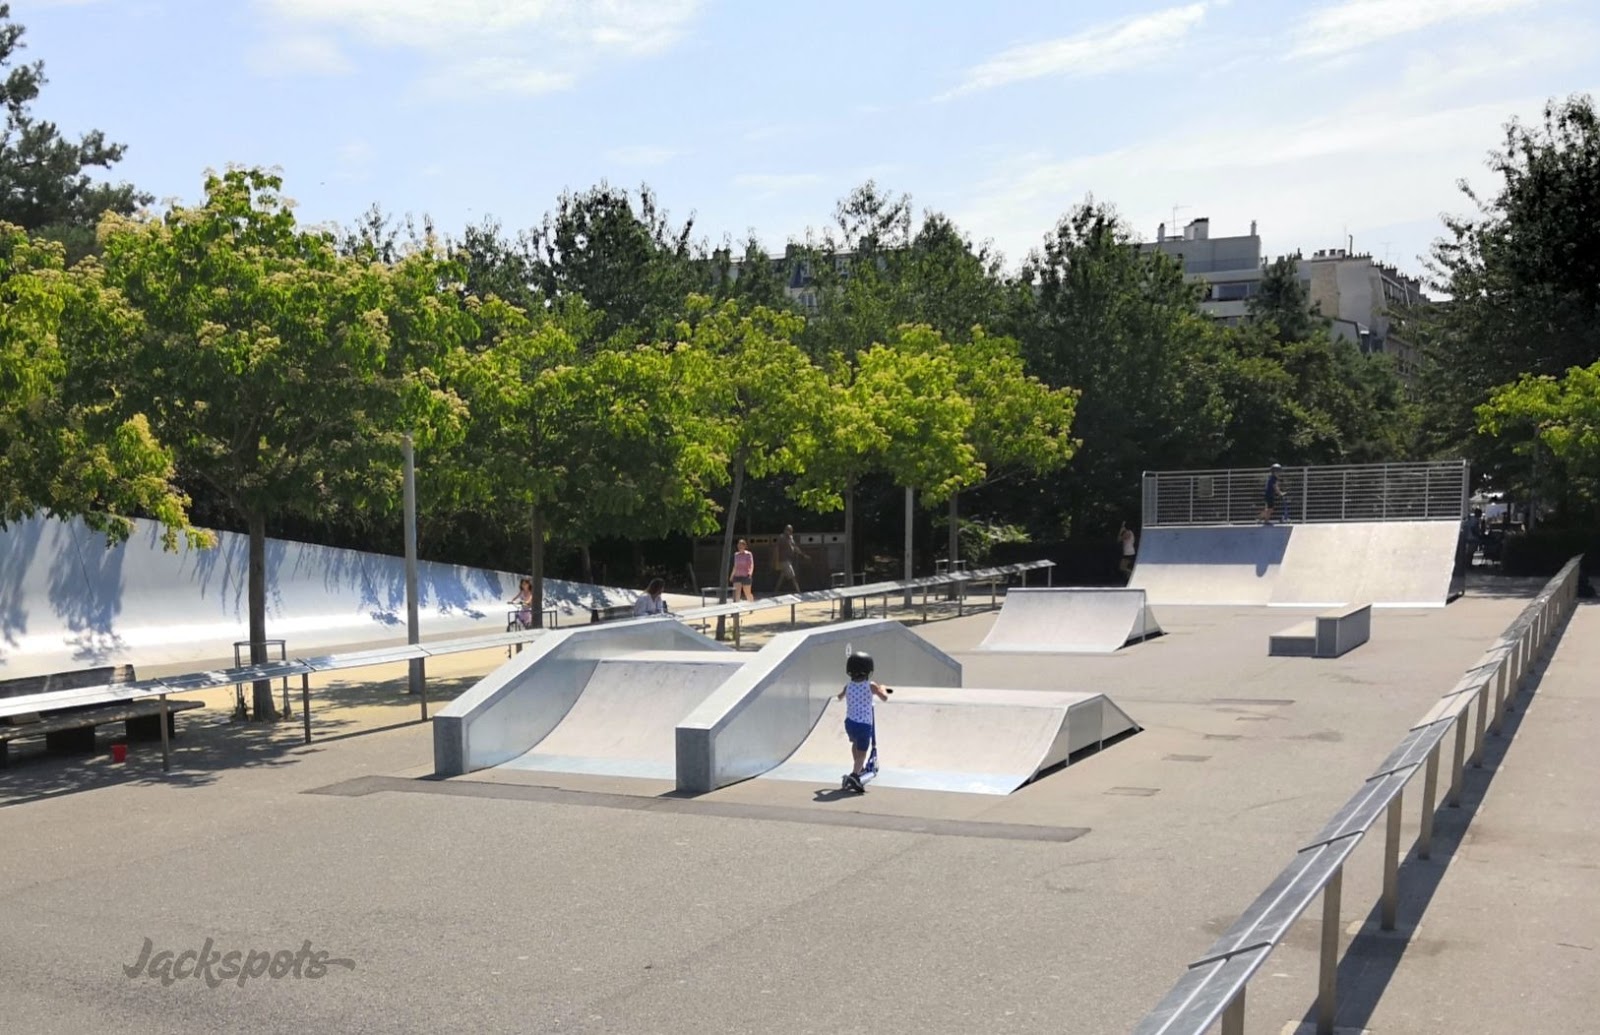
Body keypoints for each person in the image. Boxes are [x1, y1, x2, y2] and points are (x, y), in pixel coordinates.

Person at [837, 651, 891, 789]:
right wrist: (882, 688)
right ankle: (854, 776)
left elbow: (840, 697)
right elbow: (885, 698)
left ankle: (858, 768)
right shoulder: (870, 685)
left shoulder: (848, 686)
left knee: (855, 744)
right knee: (862, 753)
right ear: (868, 670)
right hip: (864, 725)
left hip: (850, 724)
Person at [773, 524, 806, 594]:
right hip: (784, 560)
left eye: (791, 531)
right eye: (788, 530)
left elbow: (795, 547)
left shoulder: (791, 538)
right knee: (793, 576)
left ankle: (775, 591)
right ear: (785, 530)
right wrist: (776, 561)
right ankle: (798, 591)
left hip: (789, 560)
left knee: (781, 577)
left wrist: (803, 555)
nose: (790, 532)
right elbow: (776, 549)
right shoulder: (781, 537)